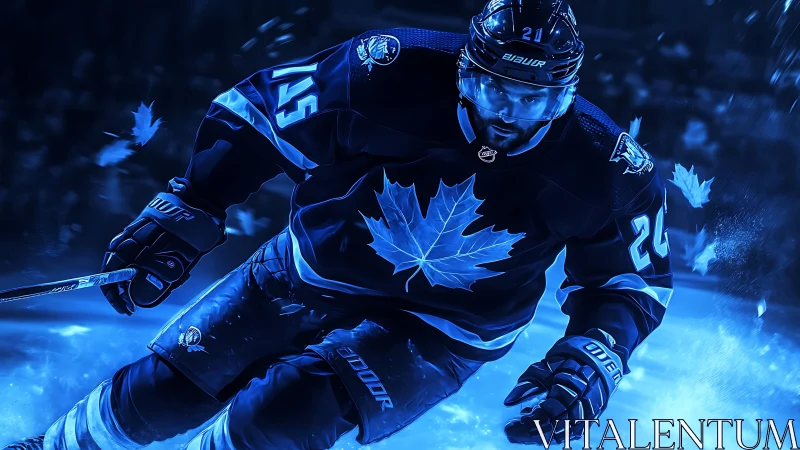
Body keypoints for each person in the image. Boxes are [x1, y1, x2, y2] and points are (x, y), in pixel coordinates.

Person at [5, 0, 673, 448]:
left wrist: (595, 353)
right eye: (500, 86)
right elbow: (259, 109)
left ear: (567, 91)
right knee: (166, 390)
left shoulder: (610, 164)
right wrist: (195, 201)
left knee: (286, 412)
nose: (513, 111)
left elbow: (633, 283)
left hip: (444, 329)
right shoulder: (387, 68)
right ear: (468, 71)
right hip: (309, 267)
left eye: (538, 98)